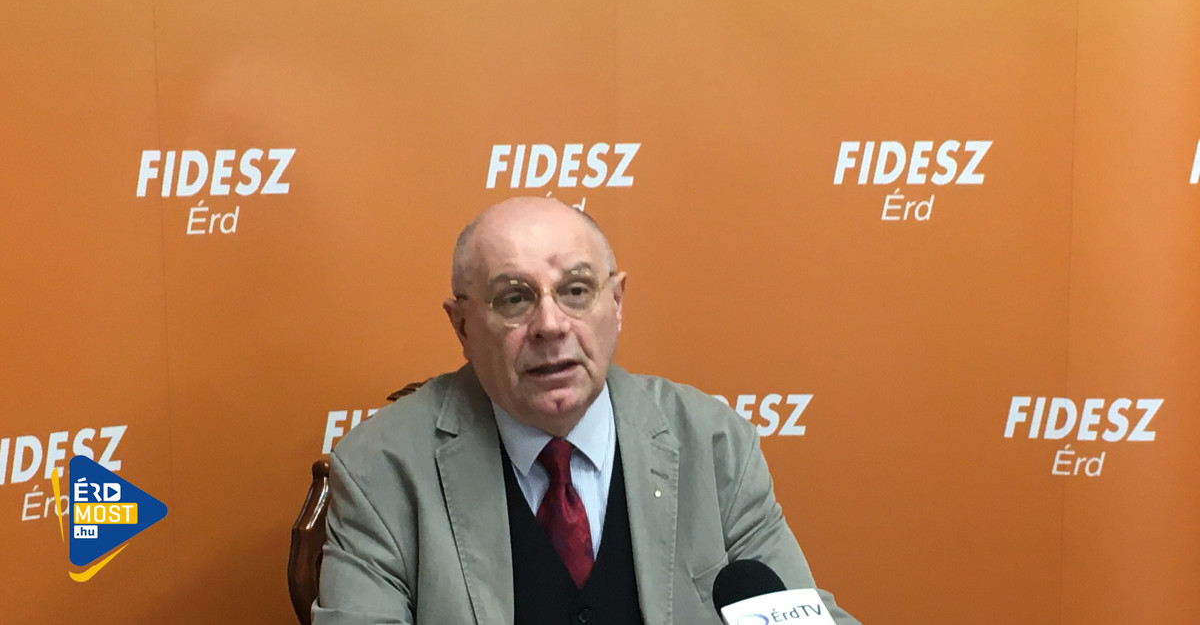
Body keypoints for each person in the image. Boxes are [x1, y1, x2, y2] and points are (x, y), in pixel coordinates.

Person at [312, 196, 859, 624]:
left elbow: (799, 613)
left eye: (575, 290)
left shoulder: (714, 443)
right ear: (462, 326)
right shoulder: (381, 467)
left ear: (615, 304)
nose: (551, 326)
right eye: (515, 298)